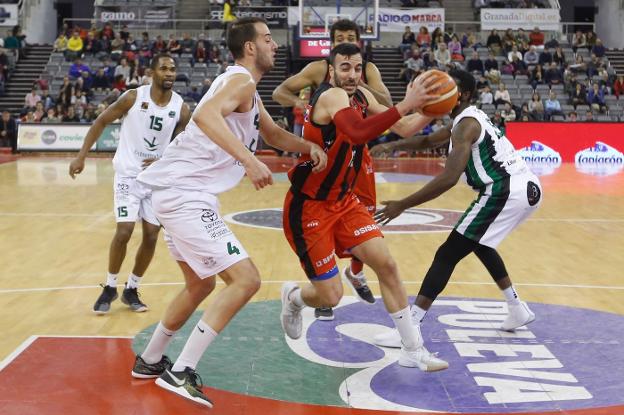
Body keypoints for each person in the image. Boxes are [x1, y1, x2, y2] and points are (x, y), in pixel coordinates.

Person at [130, 18, 327, 407]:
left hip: (179, 194)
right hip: (186, 194)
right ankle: (181, 371)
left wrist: (309, 149)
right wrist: (249, 161)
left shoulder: (246, 90)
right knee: (246, 279)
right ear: (250, 48)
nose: (274, 45)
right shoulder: (240, 81)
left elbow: (272, 134)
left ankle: (150, 360)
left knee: (200, 285)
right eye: (268, 39)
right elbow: (205, 117)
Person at [280, 42, 448, 373]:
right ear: (331, 71)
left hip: (344, 202)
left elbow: (402, 127)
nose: (352, 74)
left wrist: (432, 108)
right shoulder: (330, 97)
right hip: (309, 208)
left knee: (386, 264)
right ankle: (295, 298)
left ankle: (412, 348)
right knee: (330, 296)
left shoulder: (362, 96)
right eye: (345, 67)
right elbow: (356, 133)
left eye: (357, 68)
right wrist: (405, 104)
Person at [369, 69, 542, 349]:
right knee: (482, 244)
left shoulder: (466, 125)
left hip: (505, 190)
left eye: (449, 88)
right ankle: (516, 308)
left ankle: (410, 328)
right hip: (524, 187)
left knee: (447, 253)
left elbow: (449, 178)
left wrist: (403, 204)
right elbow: (427, 140)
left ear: (465, 95)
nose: (439, 92)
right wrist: (393, 145)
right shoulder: (465, 118)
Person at [273, 19, 392, 321]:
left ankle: (354, 272)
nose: (345, 41)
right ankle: (324, 291)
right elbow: (280, 92)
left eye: (350, 38)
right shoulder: (318, 69)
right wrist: (303, 106)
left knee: (363, 213)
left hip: (356, 146)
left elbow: (388, 105)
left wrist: (360, 87)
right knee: (320, 204)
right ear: (331, 43)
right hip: (325, 145)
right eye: (340, 38)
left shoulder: (368, 70)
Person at [68, 54, 191, 314]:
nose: (169, 73)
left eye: (172, 69)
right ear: (151, 73)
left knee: (151, 235)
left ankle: (131, 289)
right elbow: (101, 121)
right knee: (124, 231)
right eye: (164, 69)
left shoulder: (181, 107)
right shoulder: (134, 97)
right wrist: (81, 156)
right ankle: (110, 286)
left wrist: (162, 159)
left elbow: (181, 145)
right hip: (128, 175)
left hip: (156, 180)